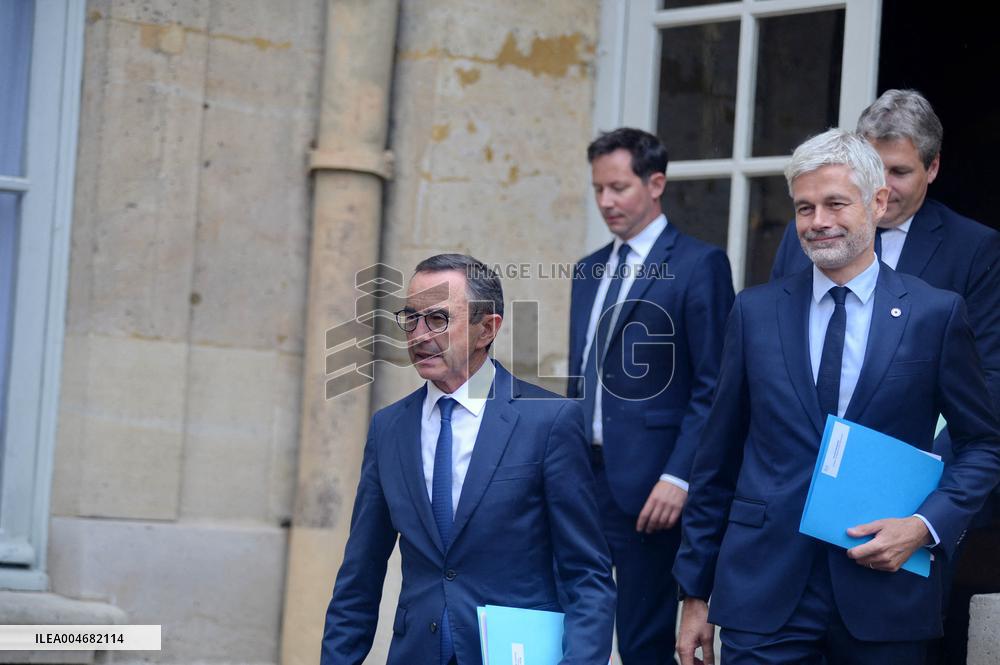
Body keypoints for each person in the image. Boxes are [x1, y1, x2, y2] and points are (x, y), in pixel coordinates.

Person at [674, 129, 1000, 665]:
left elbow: (982, 445)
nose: (818, 221)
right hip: (762, 592)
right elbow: (717, 461)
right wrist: (693, 593)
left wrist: (923, 526)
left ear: (876, 202)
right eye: (804, 207)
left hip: (883, 591)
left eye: (834, 203)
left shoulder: (934, 315)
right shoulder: (754, 314)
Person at [322, 254, 616, 665]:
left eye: (438, 319)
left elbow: (588, 576)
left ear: (487, 329)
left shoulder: (548, 422)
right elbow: (359, 576)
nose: (419, 335)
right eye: (411, 318)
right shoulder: (388, 429)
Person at [567, 127, 734, 662]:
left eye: (618, 187)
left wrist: (679, 476)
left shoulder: (698, 264)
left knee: (644, 641)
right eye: (598, 189)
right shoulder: (588, 270)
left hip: (652, 489)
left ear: (656, 182)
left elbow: (716, 385)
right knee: (577, 629)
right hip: (579, 479)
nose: (605, 202)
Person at [770, 89, 1000, 413]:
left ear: (932, 168)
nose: (884, 185)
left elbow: (987, 379)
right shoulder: (807, 236)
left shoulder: (975, 249)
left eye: (900, 172)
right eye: (875, 167)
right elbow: (776, 351)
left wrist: (924, 461)